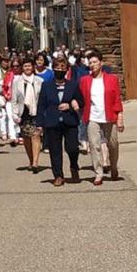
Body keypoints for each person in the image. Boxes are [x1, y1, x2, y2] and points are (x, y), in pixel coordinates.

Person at [78, 49, 125, 186]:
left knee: (113, 144)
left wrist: (120, 117)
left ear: (101, 63)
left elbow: (117, 99)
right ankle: (98, 173)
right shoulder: (85, 81)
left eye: (95, 62)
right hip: (93, 117)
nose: (92, 65)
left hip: (109, 116)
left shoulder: (111, 79)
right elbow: (80, 98)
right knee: (94, 145)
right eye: (90, 63)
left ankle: (114, 167)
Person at [36, 57, 83, 186]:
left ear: (67, 69)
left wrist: (71, 105)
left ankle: (74, 165)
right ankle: (58, 175)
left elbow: (81, 101)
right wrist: (40, 124)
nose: (59, 70)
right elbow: (41, 105)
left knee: (72, 147)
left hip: (70, 121)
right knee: (55, 150)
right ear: (53, 69)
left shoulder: (73, 85)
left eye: (62, 67)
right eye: (57, 67)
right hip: (53, 121)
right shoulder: (47, 85)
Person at [11, 58, 44, 172]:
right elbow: (14, 99)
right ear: (22, 68)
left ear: (33, 67)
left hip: (36, 112)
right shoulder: (17, 81)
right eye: (25, 66)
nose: (27, 68)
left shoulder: (39, 81)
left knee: (36, 135)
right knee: (26, 138)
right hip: (23, 113)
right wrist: (14, 114)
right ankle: (30, 160)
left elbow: (43, 98)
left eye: (29, 66)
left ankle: (35, 162)